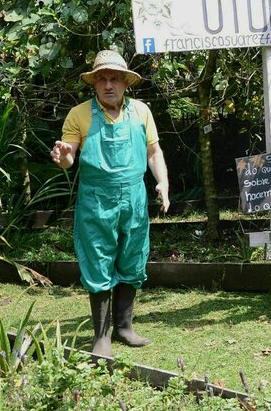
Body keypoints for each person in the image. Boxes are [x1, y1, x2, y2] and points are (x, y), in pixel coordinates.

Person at [49, 49, 169, 357]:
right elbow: (69, 155)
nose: (108, 85)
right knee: (98, 261)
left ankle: (124, 328)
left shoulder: (142, 111)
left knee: (132, 259)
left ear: (126, 83)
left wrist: (163, 183)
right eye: (102, 79)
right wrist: (64, 157)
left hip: (133, 197)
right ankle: (101, 336)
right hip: (96, 200)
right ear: (94, 84)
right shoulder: (79, 114)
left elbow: (153, 153)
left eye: (114, 78)